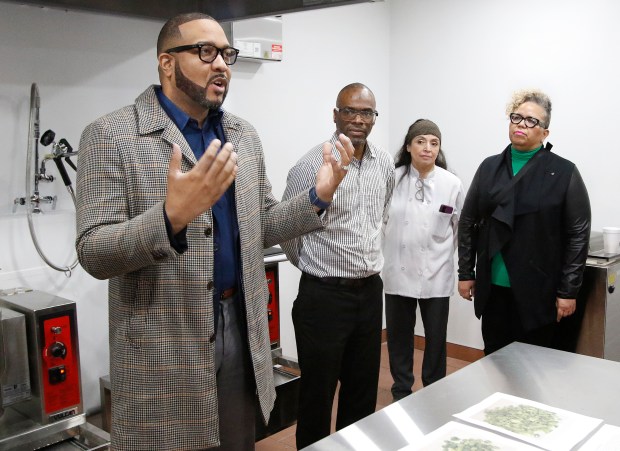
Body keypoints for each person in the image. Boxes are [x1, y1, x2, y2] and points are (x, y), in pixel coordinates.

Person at [75, 12, 355, 451]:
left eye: (227, 53)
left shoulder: (242, 135)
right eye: (206, 52)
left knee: (237, 441)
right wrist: (169, 218)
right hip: (162, 340)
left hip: (240, 327)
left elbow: (260, 225)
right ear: (167, 63)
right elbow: (94, 251)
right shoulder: (112, 135)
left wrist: (317, 197)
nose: (222, 64)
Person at [280, 82, 395, 449]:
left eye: (367, 113)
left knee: (362, 393)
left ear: (374, 118)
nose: (358, 120)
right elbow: (287, 229)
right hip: (324, 297)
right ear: (335, 115)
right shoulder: (311, 165)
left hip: (369, 292)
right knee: (318, 392)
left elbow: (382, 216)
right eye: (350, 111)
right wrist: (317, 270)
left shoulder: (385, 163)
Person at [457, 89, 591, 355]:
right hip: (493, 289)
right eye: (516, 117)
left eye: (532, 121)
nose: (521, 125)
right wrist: (465, 273)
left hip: (539, 292)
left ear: (545, 133)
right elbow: (468, 221)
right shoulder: (489, 167)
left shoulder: (564, 172)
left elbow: (578, 234)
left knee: (535, 365)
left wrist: (569, 291)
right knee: (495, 360)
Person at [382, 119, 464, 401]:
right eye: (420, 141)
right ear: (409, 146)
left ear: (438, 148)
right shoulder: (391, 178)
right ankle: (401, 389)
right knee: (399, 338)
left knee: (436, 338)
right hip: (397, 271)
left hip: (436, 273)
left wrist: (465, 270)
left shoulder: (451, 183)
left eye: (433, 143)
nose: (427, 148)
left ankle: (434, 389)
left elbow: (461, 229)